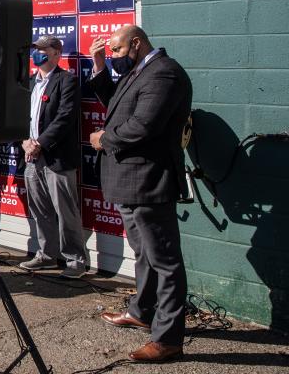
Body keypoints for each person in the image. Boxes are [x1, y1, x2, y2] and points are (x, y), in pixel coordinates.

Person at [88, 25, 192, 363]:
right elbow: (117, 105)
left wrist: (104, 139)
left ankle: (168, 339)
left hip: (148, 181)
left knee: (164, 261)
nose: (115, 56)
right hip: (129, 182)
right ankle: (142, 311)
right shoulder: (140, 71)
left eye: (117, 50)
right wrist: (100, 64)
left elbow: (144, 126)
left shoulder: (164, 73)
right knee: (143, 254)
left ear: (136, 43)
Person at [19, 36, 88, 279]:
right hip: (30, 157)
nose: (37, 54)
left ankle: (75, 260)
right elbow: (20, 118)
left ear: (56, 53)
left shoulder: (66, 81)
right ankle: (46, 255)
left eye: (43, 50)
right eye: (35, 49)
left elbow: (65, 117)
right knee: (40, 210)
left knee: (65, 209)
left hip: (56, 157)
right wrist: (25, 141)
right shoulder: (29, 83)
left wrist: (40, 143)